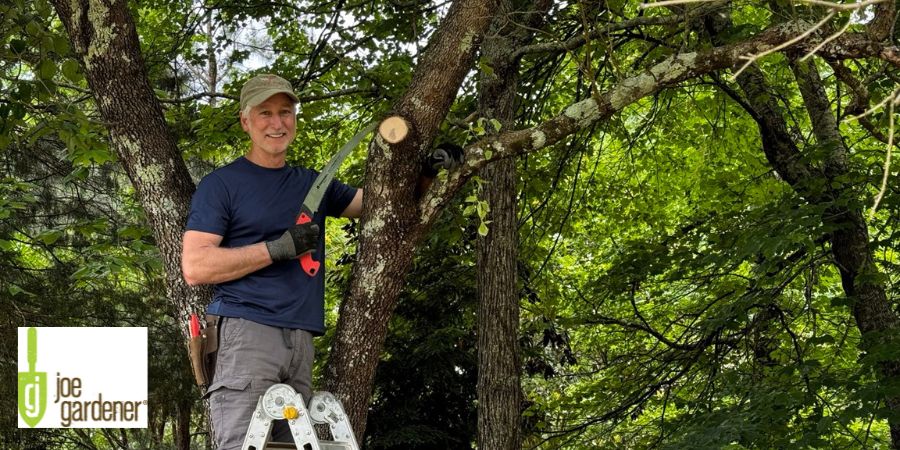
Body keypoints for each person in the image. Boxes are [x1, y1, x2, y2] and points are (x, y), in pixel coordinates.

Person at [180, 74, 363, 449]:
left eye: (285, 112)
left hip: (300, 339)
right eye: (265, 113)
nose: (277, 123)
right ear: (246, 121)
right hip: (247, 334)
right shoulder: (222, 184)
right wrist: (275, 249)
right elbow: (196, 267)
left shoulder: (313, 185)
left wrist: (426, 173)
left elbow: (377, 203)